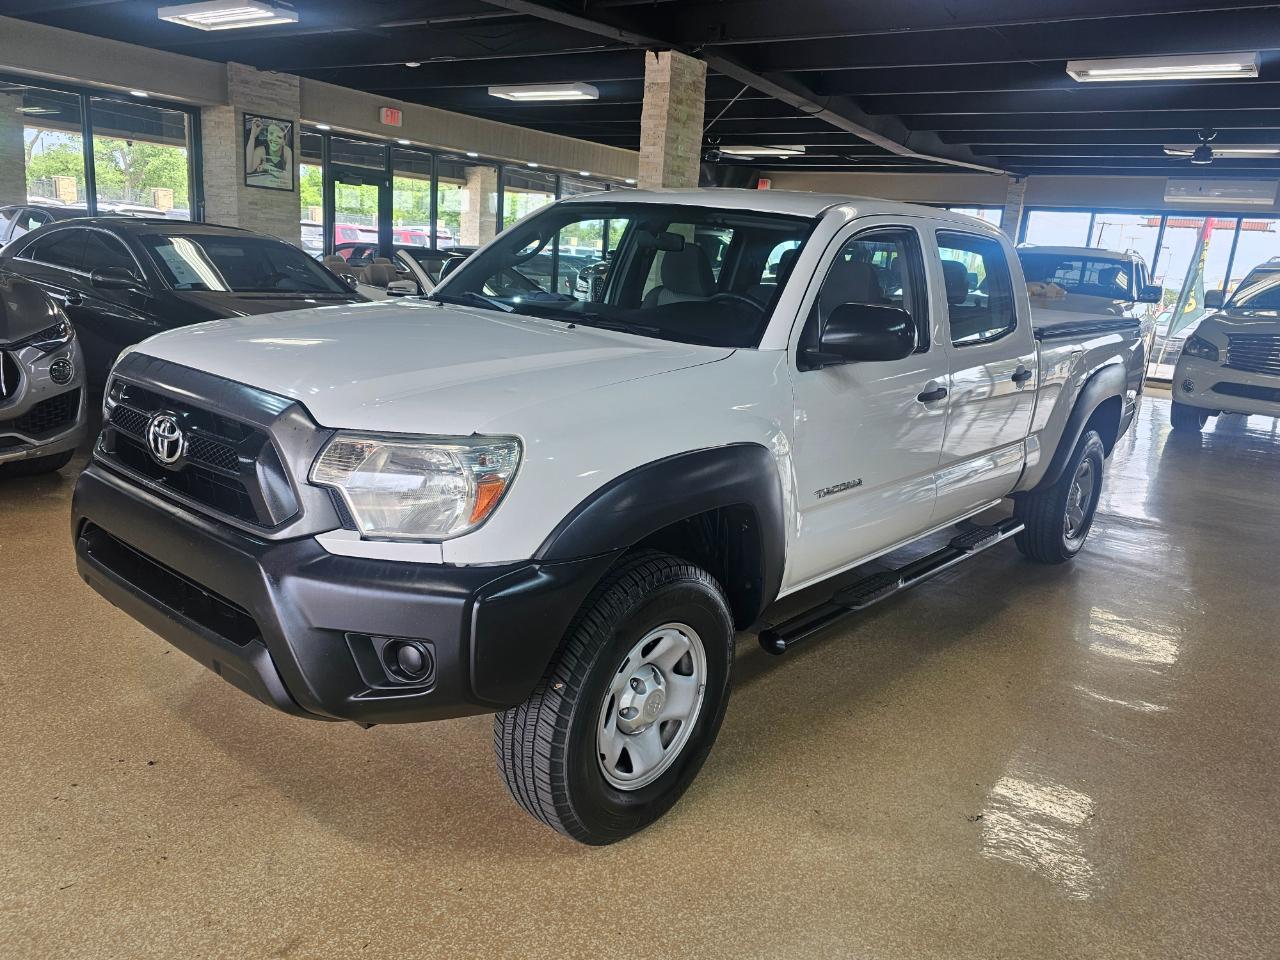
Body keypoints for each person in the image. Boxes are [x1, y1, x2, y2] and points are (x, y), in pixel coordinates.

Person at [245, 117, 293, 188]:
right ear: (267, 137)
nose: (274, 139)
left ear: (284, 141)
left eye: (279, 137)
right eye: (271, 134)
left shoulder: (287, 152)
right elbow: (248, 169)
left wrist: (267, 167)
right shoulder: (261, 151)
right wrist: (253, 136)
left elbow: (290, 177)